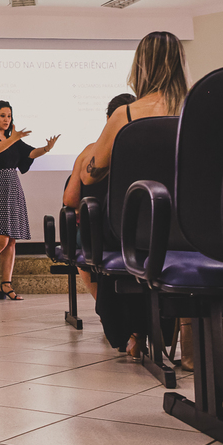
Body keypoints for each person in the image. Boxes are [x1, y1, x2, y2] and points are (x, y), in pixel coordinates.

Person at [63, 32, 188, 358]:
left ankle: (130, 330)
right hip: (189, 227)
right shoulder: (196, 111)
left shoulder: (126, 115)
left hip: (136, 228)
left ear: (140, 67)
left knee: (113, 240)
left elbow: (90, 173)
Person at [0, 101, 58, 301]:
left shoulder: (13, 139)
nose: (6, 119)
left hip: (13, 186)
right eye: (2, 116)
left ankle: (6, 284)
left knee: (11, 239)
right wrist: (13, 138)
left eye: (9, 116)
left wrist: (46, 148)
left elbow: (30, 153)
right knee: (1, 239)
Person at [64, 93, 136, 298]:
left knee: (83, 242)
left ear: (108, 119)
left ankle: (101, 302)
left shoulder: (89, 152)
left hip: (96, 234)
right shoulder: (147, 150)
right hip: (141, 232)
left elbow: (70, 199)